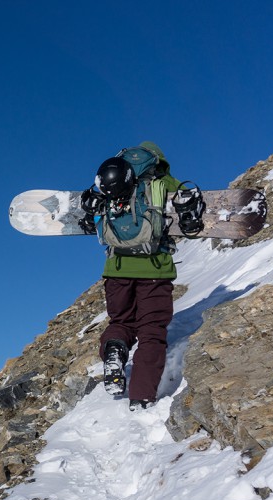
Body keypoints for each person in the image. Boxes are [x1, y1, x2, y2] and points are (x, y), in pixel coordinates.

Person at [79, 141, 203, 411]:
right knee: (151, 332)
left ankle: (114, 349)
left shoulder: (111, 181)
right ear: (156, 159)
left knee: (121, 321)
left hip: (117, 270)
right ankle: (141, 398)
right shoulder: (162, 180)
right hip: (155, 269)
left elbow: (92, 218)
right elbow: (187, 209)